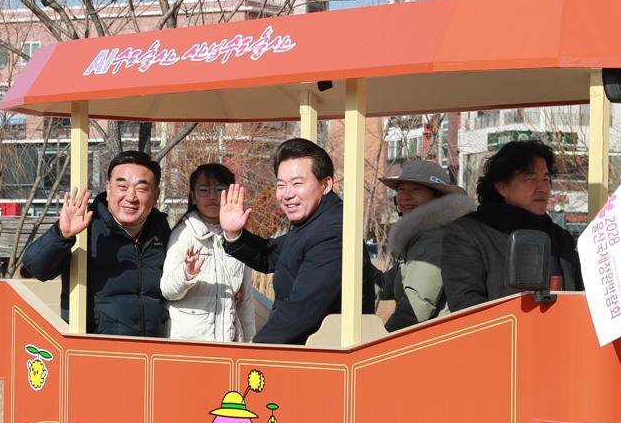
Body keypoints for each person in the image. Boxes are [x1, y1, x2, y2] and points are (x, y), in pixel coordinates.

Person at [219, 138, 376, 345]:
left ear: (326, 184)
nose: (287, 194)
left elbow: (301, 312)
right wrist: (234, 234)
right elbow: (271, 255)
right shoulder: (313, 221)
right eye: (281, 185)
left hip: (322, 357)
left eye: (297, 184)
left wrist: (255, 353)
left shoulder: (332, 232)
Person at [21, 150, 170, 337]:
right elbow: (35, 268)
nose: (131, 197)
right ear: (108, 189)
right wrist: (62, 234)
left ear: (155, 195)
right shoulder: (84, 226)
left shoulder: (162, 230)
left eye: (141, 189)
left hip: (152, 351)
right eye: (122, 186)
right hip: (95, 350)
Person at [442, 139, 582, 313]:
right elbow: (466, 305)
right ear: (501, 186)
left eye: (546, 179)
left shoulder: (562, 238)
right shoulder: (466, 234)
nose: (542, 188)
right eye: (530, 178)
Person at [160, 163, 256, 343]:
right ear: (193, 196)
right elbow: (167, 290)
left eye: (220, 189)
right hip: (187, 345)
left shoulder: (239, 238)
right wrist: (187, 274)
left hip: (227, 342)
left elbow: (246, 302)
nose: (212, 196)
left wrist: (250, 344)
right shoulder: (183, 234)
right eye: (204, 190)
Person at [380, 160, 475, 332]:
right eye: (401, 189)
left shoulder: (436, 237)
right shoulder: (418, 237)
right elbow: (388, 282)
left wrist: (376, 344)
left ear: (437, 197)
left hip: (437, 343)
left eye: (416, 189)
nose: (406, 196)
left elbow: (415, 309)